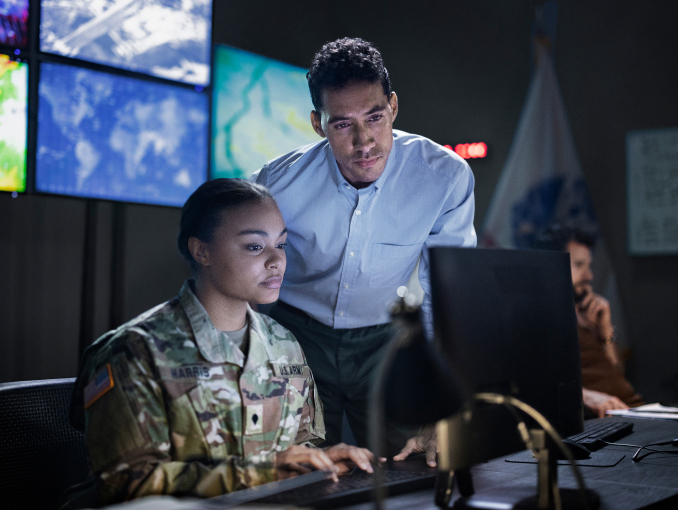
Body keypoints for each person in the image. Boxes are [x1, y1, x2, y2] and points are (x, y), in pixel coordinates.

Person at [65, 179, 376, 507]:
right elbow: (125, 483)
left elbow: (299, 449)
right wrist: (261, 474)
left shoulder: (284, 344)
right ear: (202, 251)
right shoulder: (134, 351)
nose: (276, 261)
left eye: (281, 245)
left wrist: (327, 463)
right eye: (255, 246)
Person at [252, 38, 476, 462]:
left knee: (414, 464)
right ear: (318, 124)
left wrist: (439, 405)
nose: (363, 141)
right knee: (307, 473)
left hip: (386, 341)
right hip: (297, 338)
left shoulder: (443, 177)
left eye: (374, 117)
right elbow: (243, 278)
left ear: (393, 106)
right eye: (342, 124)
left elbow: (448, 295)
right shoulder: (276, 183)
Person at [535, 225, 644, 418]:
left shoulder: (587, 312)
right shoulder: (538, 317)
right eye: (578, 265)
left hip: (633, 410)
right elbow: (534, 381)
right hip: (605, 418)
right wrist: (583, 396)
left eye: (588, 265)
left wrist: (605, 330)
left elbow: (616, 373)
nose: (589, 275)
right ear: (550, 265)